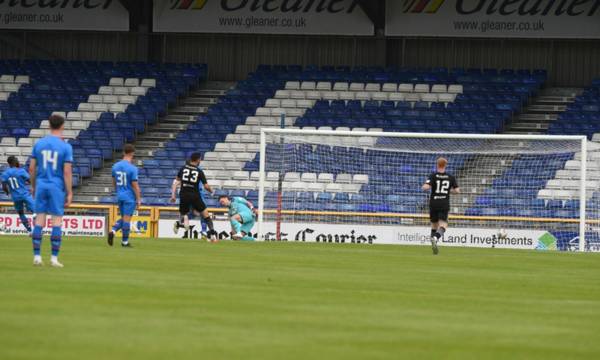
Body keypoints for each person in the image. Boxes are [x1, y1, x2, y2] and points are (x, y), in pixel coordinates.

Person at [29, 114, 73, 267]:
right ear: (62, 126)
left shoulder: (39, 144)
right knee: (56, 222)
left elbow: (31, 168)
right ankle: (54, 259)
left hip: (41, 184)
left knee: (39, 220)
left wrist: (33, 186)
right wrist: (69, 192)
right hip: (56, 186)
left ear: (49, 125)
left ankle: (37, 256)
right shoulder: (65, 146)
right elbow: (67, 171)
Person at [170, 153, 217, 241]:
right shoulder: (199, 171)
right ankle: (212, 235)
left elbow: (175, 182)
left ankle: (182, 221)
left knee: (185, 214)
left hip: (183, 195)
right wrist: (212, 191)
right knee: (205, 215)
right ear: (198, 160)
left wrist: (173, 195)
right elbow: (206, 186)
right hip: (195, 195)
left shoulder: (183, 169)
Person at [422, 157, 460, 255]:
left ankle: (433, 243)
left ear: (437, 165)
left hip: (433, 203)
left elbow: (425, 187)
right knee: (443, 225)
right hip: (444, 203)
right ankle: (435, 238)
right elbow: (457, 191)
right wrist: (448, 190)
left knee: (434, 225)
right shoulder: (450, 177)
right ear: (445, 165)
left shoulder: (433, 175)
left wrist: (428, 186)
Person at [108, 144, 141, 248]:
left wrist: (118, 191)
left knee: (124, 218)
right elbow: (135, 185)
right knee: (127, 220)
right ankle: (125, 242)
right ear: (132, 153)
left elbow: (113, 182)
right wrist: (139, 199)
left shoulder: (115, 166)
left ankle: (113, 231)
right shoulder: (132, 168)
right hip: (129, 197)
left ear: (124, 152)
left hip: (120, 195)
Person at [1, 156, 36, 233]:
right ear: (15, 162)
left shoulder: (5, 173)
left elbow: (4, 186)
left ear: (9, 163)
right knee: (35, 211)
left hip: (15, 197)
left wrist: (7, 192)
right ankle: (35, 228)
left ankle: (29, 231)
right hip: (25, 195)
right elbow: (30, 180)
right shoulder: (21, 171)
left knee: (21, 213)